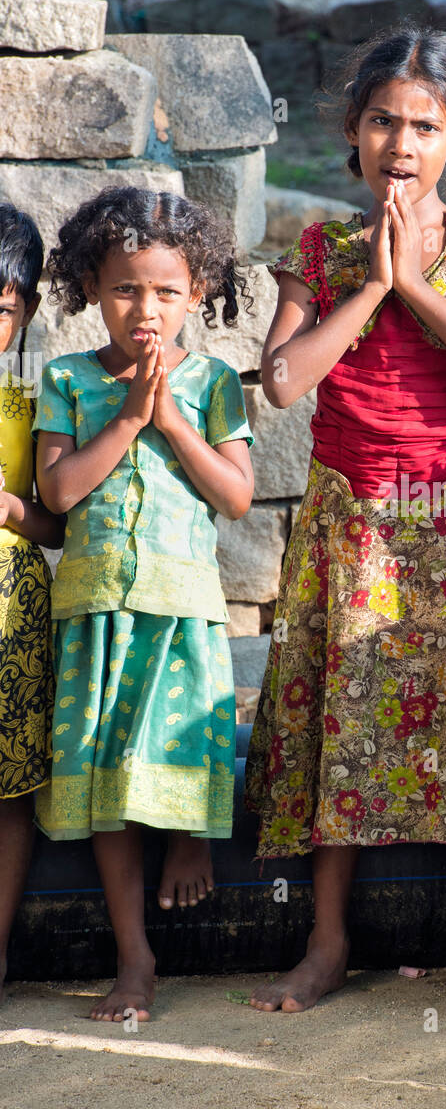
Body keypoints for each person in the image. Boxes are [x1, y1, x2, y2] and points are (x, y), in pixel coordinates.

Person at [245, 26, 446, 1022]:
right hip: (348, 516)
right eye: (383, 120)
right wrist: (372, 283)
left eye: (425, 124)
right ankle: (326, 943)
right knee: (341, 725)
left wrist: (414, 285)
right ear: (351, 128)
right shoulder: (322, 250)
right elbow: (284, 379)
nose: (401, 142)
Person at [33, 187, 254, 1022]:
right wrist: (129, 418)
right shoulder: (67, 379)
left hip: (180, 603)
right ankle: (135, 959)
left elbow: (235, 496)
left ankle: (193, 834)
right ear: (92, 287)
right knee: (99, 773)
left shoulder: (213, 381)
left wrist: (171, 417)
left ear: (197, 295)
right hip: (92, 608)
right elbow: (58, 489)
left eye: (167, 291)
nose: (147, 308)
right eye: (126, 288)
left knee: (179, 739)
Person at [0, 204, 65, 1002]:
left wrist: (15, 511)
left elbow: (57, 519)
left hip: (11, 622)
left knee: (8, 788)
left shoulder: (28, 409)